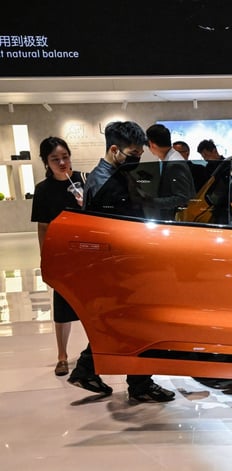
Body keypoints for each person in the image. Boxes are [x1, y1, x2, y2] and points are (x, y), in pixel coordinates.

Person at [69, 121, 176, 402]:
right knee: (135, 322)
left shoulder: (111, 174)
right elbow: (113, 227)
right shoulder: (106, 183)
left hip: (123, 262)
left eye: (140, 153)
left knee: (121, 323)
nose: (137, 159)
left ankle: (89, 370)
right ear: (114, 150)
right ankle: (138, 384)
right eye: (133, 154)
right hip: (120, 264)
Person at [30, 137, 83, 377]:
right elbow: (42, 226)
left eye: (65, 157)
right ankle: (62, 355)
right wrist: (45, 258)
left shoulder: (84, 180)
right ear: (46, 162)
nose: (62, 162)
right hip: (62, 254)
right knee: (62, 305)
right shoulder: (43, 190)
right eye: (55, 159)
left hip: (87, 251)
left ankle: (97, 352)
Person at [144, 123, 195, 220]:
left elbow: (182, 198)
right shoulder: (170, 158)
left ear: (151, 144)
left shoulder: (174, 163)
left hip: (176, 220)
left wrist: (151, 202)